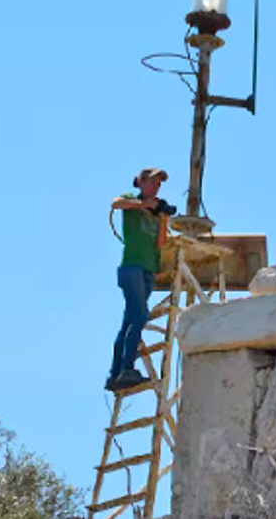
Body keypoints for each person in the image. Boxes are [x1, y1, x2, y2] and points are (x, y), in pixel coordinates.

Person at [106, 167, 170, 391]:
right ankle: (127, 369)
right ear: (141, 182)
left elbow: (161, 243)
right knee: (141, 315)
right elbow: (115, 203)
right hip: (132, 267)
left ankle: (115, 374)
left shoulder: (155, 212)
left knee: (129, 322)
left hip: (147, 270)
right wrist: (145, 205)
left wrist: (162, 218)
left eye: (158, 184)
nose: (156, 187)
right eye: (152, 182)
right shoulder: (132, 200)